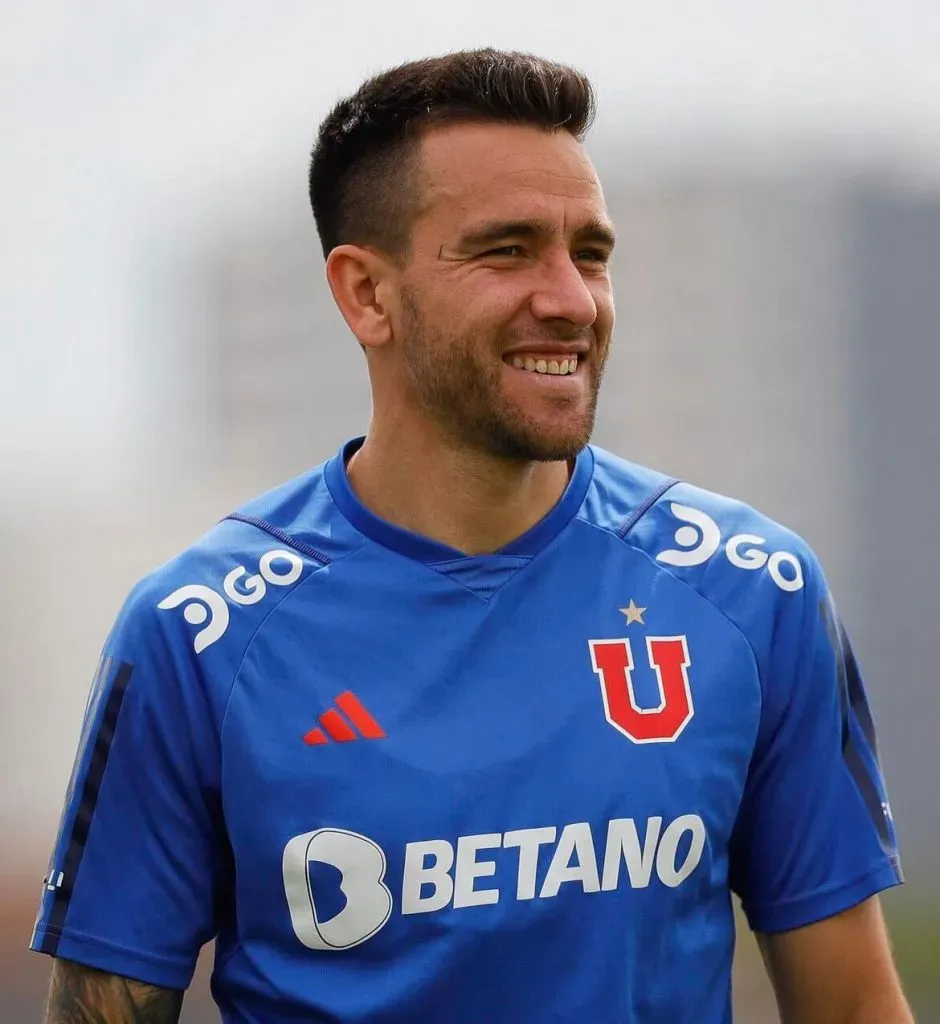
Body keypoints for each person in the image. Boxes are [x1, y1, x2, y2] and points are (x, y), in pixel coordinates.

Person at [32, 49, 912, 1024]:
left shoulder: (753, 592)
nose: (570, 298)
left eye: (589, 252)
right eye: (506, 250)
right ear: (367, 295)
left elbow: (853, 1006)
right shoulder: (195, 636)